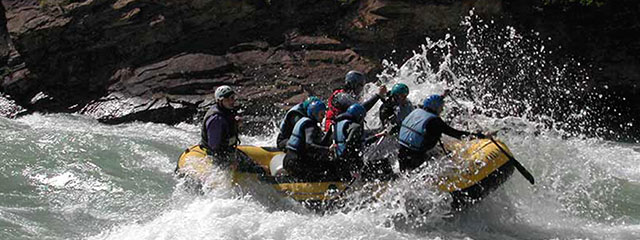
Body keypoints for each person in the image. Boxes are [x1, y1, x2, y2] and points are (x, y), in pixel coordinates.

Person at [397, 94, 486, 172]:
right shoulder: (435, 122)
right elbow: (456, 134)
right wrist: (480, 136)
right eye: (441, 107)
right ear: (436, 107)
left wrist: (443, 96)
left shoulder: (416, 111)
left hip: (401, 154)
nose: (442, 110)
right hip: (416, 158)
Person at [283, 100, 335, 180]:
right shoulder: (310, 126)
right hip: (295, 162)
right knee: (326, 169)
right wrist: (327, 150)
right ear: (315, 113)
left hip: (289, 159)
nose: (323, 117)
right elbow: (309, 145)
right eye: (322, 114)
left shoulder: (303, 120)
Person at [200, 85, 242, 164]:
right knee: (260, 170)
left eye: (232, 98)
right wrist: (230, 162)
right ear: (220, 101)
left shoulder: (227, 110)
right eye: (227, 99)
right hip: (218, 156)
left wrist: (236, 123)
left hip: (228, 150)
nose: (231, 101)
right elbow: (214, 146)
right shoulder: (216, 119)